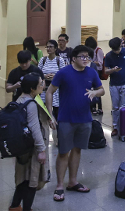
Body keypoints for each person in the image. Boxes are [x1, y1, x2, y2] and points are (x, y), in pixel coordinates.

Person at [45, 44, 104, 202]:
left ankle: (72, 181)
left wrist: (95, 92)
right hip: (66, 119)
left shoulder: (91, 72)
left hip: (85, 119)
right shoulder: (64, 73)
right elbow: (49, 92)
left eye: (87, 57)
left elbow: (102, 90)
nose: (85, 59)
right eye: (82, 56)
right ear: (73, 58)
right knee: (63, 152)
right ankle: (59, 185)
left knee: (77, 150)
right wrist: (50, 115)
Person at [10, 72, 54, 211]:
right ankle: (26, 208)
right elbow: (35, 128)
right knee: (32, 180)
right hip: (32, 149)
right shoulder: (31, 104)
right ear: (32, 88)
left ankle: (15, 206)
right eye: (40, 83)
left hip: (21, 148)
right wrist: (41, 150)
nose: (43, 85)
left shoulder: (19, 99)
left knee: (23, 178)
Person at [105, 37, 125, 137]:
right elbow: (106, 71)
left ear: (121, 45)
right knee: (115, 107)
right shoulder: (109, 56)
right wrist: (113, 70)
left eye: (118, 49)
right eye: (114, 50)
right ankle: (115, 127)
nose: (117, 52)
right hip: (114, 85)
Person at [38, 39, 66, 122]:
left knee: (56, 111)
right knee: (43, 112)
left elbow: (63, 74)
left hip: (56, 89)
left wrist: (55, 76)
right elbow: (38, 73)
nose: (48, 49)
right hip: (44, 88)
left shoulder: (59, 60)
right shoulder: (43, 60)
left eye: (51, 47)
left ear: (55, 48)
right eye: (47, 47)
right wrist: (44, 76)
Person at [85, 36, 104, 115]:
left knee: (97, 88)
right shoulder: (88, 51)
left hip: (97, 70)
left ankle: (99, 107)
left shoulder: (98, 50)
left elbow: (100, 62)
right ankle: (92, 107)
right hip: (90, 69)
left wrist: (91, 61)